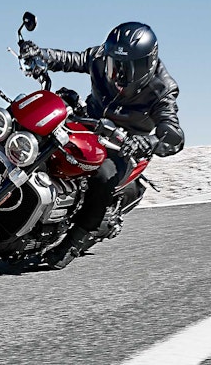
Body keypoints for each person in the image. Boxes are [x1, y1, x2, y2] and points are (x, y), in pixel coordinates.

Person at [19, 21, 185, 269]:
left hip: (124, 145)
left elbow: (173, 134)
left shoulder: (162, 89)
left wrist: (148, 141)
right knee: (41, 130)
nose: (117, 73)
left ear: (147, 65)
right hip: (89, 122)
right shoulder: (100, 57)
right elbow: (73, 59)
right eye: (113, 64)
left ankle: (73, 242)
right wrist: (40, 55)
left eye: (126, 68)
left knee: (103, 175)